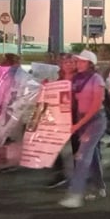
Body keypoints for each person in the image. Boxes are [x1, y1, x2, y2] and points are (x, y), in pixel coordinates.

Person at [60, 50, 108, 208]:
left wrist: (78, 125)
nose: (78, 63)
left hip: (95, 121)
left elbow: (95, 107)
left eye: (82, 61)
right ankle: (99, 186)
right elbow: (64, 94)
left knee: (82, 156)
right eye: (78, 61)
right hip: (82, 121)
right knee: (91, 155)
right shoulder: (76, 79)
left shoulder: (97, 79)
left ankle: (75, 194)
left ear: (90, 64)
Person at [46, 53, 81, 187]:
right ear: (61, 65)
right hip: (61, 116)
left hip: (77, 116)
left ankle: (81, 174)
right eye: (66, 62)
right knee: (55, 145)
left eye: (72, 62)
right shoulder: (58, 79)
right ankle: (59, 173)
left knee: (77, 147)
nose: (69, 65)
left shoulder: (81, 78)